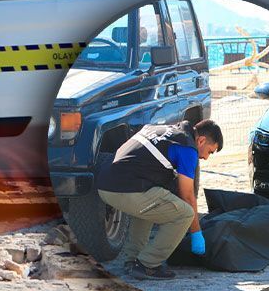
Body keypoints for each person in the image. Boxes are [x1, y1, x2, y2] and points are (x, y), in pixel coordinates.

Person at [95, 119, 222, 280]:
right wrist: (196, 233)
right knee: (185, 214)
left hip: (105, 185)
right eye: (210, 151)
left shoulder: (161, 130)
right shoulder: (187, 148)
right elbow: (188, 196)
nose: (206, 157)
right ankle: (147, 265)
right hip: (125, 189)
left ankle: (132, 259)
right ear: (201, 140)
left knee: (153, 204)